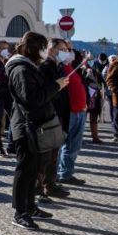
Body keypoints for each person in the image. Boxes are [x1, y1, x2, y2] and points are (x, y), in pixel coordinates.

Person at [6, 31, 68, 230]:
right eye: (42, 48)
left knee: (33, 171)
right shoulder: (21, 70)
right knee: (24, 171)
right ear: (33, 49)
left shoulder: (30, 67)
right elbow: (31, 99)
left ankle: (30, 206)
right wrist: (55, 87)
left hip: (36, 126)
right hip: (26, 127)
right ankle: (20, 212)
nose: (44, 52)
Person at [38, 38, 73, 198]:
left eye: (66, 49)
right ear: (52, 50)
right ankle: (39, 188)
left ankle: (50, 184)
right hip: (48, 116)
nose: (65, 53)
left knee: (54, 154)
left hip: (58, 115)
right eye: (62, 49)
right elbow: (46, 94)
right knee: (45, 156)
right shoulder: (45, 68)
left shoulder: (59, 67)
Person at [57, 50, 89, 186]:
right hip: (68, 112)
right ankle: (55, 175)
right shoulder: (58, 68)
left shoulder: (70, 67)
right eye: (65, 50)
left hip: (79, 111)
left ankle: (66, 173)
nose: (69, 53)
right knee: (61, 146)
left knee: (74, 146)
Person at [84, 56, 105, 143]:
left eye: (91, 60)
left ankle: (95, 137)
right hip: (85, 98)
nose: (90, 62)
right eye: (88, 60)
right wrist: (86, 75)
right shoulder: (82, 71)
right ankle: (80, 138)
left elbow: (101, 86)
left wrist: (93, 78)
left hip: (95, 98)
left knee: (94, 119)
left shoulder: (97, 72)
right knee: (82, 119)